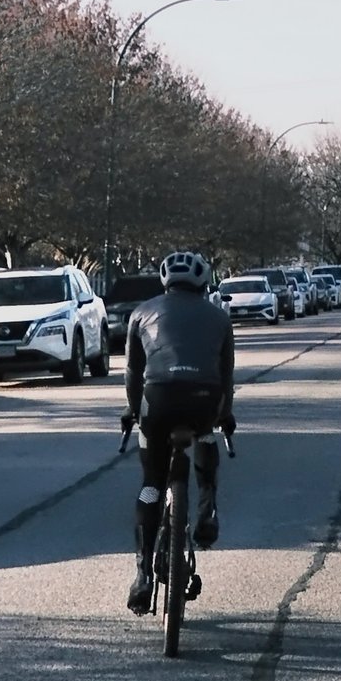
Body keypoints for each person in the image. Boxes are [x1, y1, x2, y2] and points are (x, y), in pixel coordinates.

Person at [122, 251, 235, 613]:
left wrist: (133, 411)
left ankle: (142, 575)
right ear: (203, 283)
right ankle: (206, 507)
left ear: (165, 281)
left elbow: (131, 372)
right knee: (205, 435)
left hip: (158, 400)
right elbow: (226, 376)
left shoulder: (141, 313)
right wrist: (225, 415)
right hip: (204, 398)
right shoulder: (219, 317)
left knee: (152, 483)